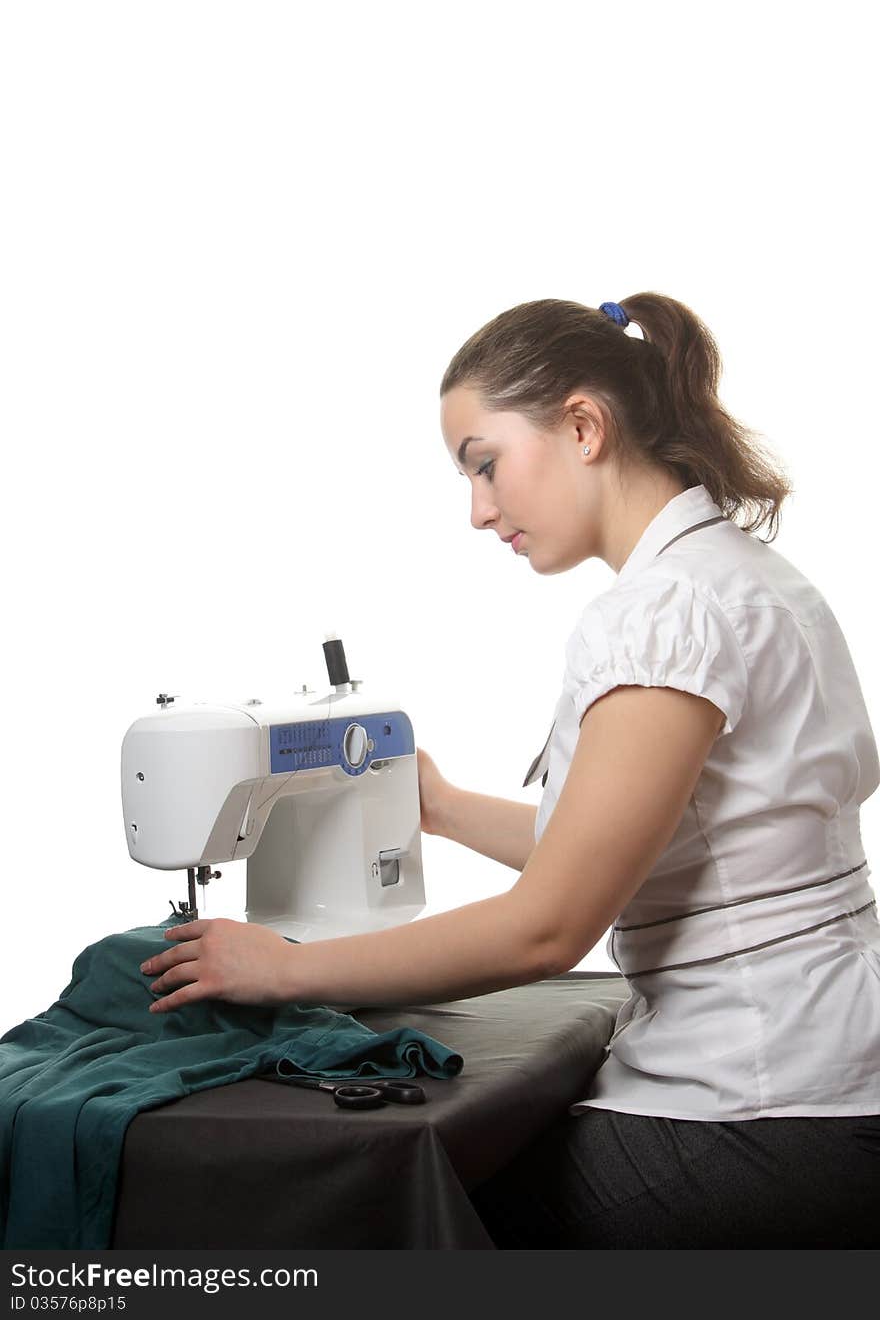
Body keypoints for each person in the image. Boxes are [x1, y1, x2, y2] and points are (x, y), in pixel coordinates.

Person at [141, 292, 880, 1248]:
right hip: (830, 1082)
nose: (480, 511)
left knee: (369, 1217)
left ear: (583, 425)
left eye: (484, 466)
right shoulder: (750, 579)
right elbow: (626, 847)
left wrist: (286, 968)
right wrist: (441, 809)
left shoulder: (660, 615)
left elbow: (551, 928)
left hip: (758, 1112)